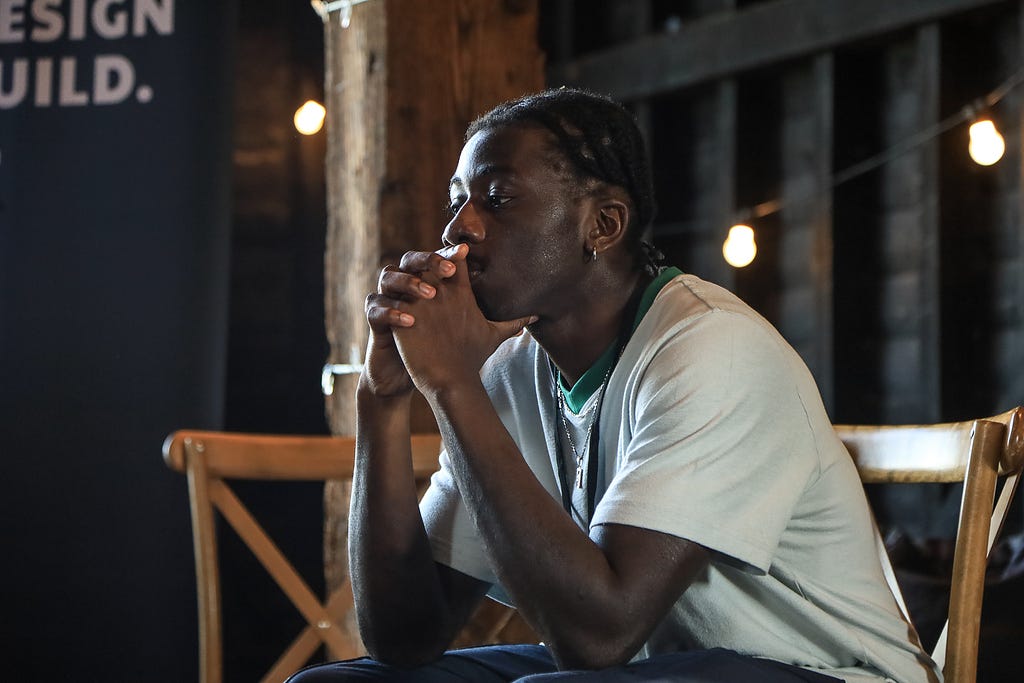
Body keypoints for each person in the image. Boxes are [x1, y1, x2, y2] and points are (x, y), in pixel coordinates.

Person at [288, 88, 940, 682]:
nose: (460, 228)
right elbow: (403, 634)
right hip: (657, 667)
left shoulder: (710, 347)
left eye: (498, 196)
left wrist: (453, 383)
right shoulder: (516, 374)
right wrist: (382, 400)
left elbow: (599, 637)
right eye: (458, 199)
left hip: (827, 670)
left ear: (603, 225)